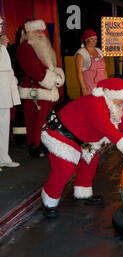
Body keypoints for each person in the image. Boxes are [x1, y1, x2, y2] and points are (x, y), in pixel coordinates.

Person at [40, 78, 123, 218]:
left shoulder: (113, 104)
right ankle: (49, 201)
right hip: (61, 136)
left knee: (90, 160)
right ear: (110, 95)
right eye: (120, 99)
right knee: (64, 170)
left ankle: (82, 194)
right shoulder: (96, 104)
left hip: (80, 139)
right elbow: (107, 128)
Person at [16, 19, 65, 158]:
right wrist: (51, 78)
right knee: (35, 120)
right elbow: (32, 68)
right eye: (37, 30)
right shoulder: (25, 47)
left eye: (41, 30)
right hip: (35, 89)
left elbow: (48, 66)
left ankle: (44, 142)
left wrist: (57, 75)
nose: (40, 33)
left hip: (46, 88)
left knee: (45, 119)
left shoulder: (41, 45)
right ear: (29, 32)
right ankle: (34, 145)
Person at [0, 30, 21, 170]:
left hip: (5, 94)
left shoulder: (4, 51)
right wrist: (2, 47)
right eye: (4, 38)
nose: (6, 40)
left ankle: (3, 158)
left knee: (4, 126)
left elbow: (8, 71)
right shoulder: (2, 50)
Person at [75, 29, 107, 96]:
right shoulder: (81, 53)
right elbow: (79, 72)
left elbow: (104, 70)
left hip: (102, 88)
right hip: (90, 89)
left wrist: (106, 84)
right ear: (86, 40)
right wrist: (84, 89)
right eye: (91, 39)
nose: (94, 41)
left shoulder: (99, 51)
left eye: (95, 39)